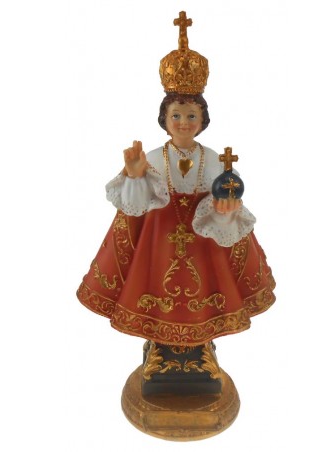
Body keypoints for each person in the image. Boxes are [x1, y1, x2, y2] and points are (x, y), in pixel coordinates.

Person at [76, 90, 276, 346]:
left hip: (204, 244)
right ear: (164, 119)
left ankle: (201, 337)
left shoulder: (215, 161)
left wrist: (224, 211)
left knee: (208, 285)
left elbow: (227, 197)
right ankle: (159, 337)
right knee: (155, 286)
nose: (184, 122)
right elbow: (135, 208)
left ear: (202, 121)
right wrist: (135, 177)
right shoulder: (152, 159)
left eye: (192, 116)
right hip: (158, 240)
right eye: (176, 115)